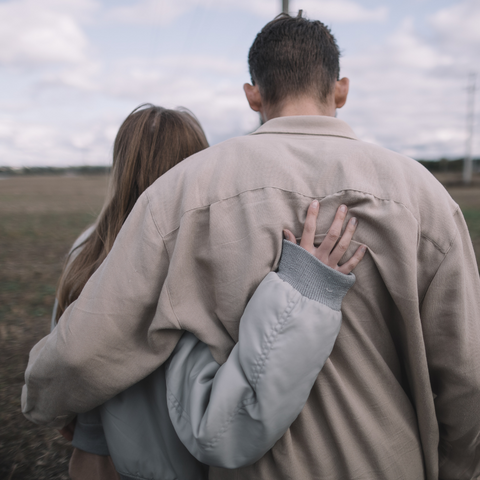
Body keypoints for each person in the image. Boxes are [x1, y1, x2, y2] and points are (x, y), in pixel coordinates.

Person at [23, 12, 480, 480]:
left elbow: (87, 347)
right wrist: (456, 467)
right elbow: (467, 375)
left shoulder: (182, 192)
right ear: (340, 88)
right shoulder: (425, 198)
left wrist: (40, 401)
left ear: (253, 94)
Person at [46, 103, 364, 479]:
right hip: (177, 463)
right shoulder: (205, 256)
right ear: (198, 164)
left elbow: (68, 348)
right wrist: (304, 285)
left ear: (120, 166)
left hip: (98, 454)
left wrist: (63, 406)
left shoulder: (87, 251)